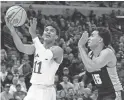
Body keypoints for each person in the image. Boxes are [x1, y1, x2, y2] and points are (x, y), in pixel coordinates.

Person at [5, 14, 63, 100]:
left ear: (56, 36)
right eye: (46, 30)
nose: (48, 32)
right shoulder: (36, 47)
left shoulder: (58, 50)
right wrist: (13, 31)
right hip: (34, 89)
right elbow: (21, 47)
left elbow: (45, 55)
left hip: (46, 91)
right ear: (43, 34)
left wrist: (33, 35)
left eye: (52, 31)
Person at [78, 27, 123, 100]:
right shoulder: (90, 54)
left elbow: (92, 67)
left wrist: (80, 46)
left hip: (113, 93)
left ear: (100, 39)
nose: (89, 38)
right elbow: (89, 72)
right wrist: (83, 82)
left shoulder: (107, 52)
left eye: (92, 35)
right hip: (101, 93)